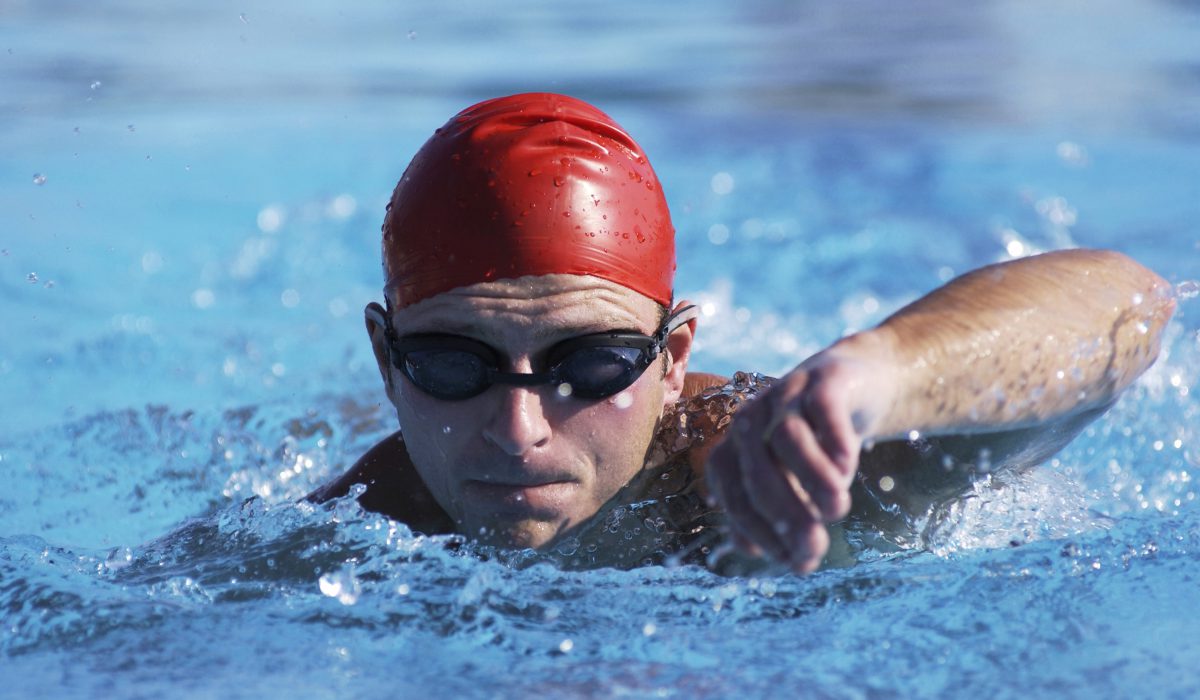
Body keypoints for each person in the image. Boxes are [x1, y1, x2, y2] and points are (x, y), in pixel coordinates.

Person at [309, 92, 1176, 574]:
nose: (517, 429)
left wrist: (876, 376)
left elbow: (1128, 302)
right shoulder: (359, 527)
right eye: (454, 367)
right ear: (388, 361)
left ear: (672, 356)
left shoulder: (754, 477)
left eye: (594, 364)